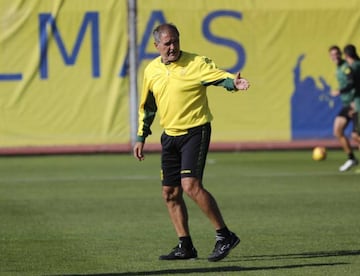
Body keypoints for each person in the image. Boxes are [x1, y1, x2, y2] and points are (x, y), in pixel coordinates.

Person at [133, 23, 250, 262]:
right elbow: (148, 106)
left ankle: (224, 235)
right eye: (167, 43)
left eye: (176, 41)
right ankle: (185, 245)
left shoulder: (195, 63)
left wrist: (232, 83)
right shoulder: (151, 70)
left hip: (195, 131)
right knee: (169, 192)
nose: (173, 47)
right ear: (156, 46)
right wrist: (141, 136)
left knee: (190, 186)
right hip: (169, 136)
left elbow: (218, 76)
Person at [328, 45, 358, 171]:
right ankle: (351, 159)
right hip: (346, 104)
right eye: (333, 54)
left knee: (356, 136)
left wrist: (340, 92)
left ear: (342, 54)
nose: (335, 56)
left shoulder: (347, 67)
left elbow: (354, 83)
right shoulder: (338, 69)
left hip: (354, 103)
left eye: (337, 54)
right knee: (337, 131)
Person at [343, 44, 360, 142]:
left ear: (346, 55)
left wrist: (340, 91)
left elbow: (351, 84)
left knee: (356, 134)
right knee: (355, 134)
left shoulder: (352, 67)